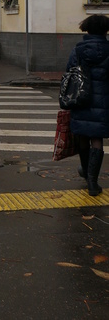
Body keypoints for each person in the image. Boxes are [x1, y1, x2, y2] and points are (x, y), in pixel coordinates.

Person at [66, 14, 109, 196]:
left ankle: (86, 172)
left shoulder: (78, 50)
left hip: (81, 99)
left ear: (87, 29)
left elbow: (69, 71)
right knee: (97, 139)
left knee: (83, 136)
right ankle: (92, 181)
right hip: (103, 101)